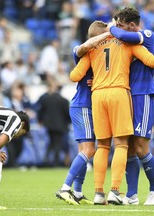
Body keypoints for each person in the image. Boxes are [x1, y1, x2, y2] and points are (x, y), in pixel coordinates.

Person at [70, 20, 154, 205]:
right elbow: (153, 61)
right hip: (119, 93)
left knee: (102, 146)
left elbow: (75, 76)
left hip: (97, 96)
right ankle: (115, 191)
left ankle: (98, 194)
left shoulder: (92, 48)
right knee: (121, 145)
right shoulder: (127, 43)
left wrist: (94, 76)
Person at [108, 7, 154, 205]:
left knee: (140, 146)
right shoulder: (124, 44)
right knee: (128, 147)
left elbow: (120, 34)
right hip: (126, 96)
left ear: (131, 25)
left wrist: (111, 28)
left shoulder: (147, 35)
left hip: (143, 95)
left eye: (121, 24)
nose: (118, 29)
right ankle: (131, 195)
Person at [56, 30, 111, 205]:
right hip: (83, 106)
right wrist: (109, 33)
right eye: (103, 37)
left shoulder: (101, 57)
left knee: (85, 151)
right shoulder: (82, 51)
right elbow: (84, 47)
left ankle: (78, 192)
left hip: (92, 106)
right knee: (89, 150)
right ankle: (65, 188)